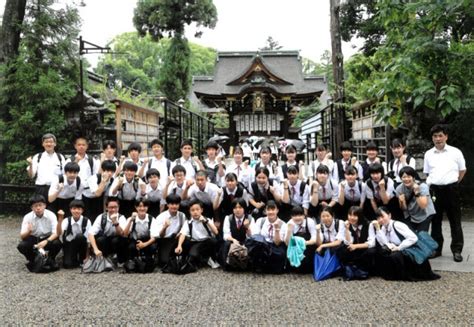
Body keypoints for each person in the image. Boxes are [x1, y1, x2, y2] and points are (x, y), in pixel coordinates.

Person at [424, 124, 466, 262]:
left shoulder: (456, 152)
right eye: (435, 136)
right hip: (435, 190)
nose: (438, 139)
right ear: (432, 138)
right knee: (435, 221)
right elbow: (427, 173)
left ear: (446, 136)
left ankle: (457, 250)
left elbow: (462, 170)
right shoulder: (428, 154)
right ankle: (437, 249)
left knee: (455, 221)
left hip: (451, 189)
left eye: (440, 135)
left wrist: (454, 183)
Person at [368, 207, 440, 281]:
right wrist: (378, 229)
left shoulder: (397, 225)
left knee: (395, 255)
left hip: (410, 248)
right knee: (381, 252)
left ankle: (404, 275)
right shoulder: (384, 227)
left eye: (382, 216)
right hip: (399, 248)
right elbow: (384, 243)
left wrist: (399, 247)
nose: (380, 220)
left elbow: (413, 238)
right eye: (378, 218)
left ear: (389, 215)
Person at [17, 195, 62, 272]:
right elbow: (22, 236)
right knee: (22, 245)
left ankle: (50, 258)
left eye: (40, 205)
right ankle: (34, 259)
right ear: (31, 208)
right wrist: (29, 231)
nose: (38, 208)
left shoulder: (51, 215)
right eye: (35, 206)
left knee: (57, 243)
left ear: (45, 205)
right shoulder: (27, 217)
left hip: (47, 237)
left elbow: (57, 233)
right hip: (34, 238)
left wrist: (47, 241)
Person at [174, 200, 219, 272]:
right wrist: (179, 245)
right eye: (192, 210)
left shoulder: (207, 219)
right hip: (196, 242)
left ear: (201, 210)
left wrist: (206, 221)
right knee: (193, 255)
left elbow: (216, 232)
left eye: (197, 209)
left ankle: (211, 258)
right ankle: (204, 259)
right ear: (189, 211)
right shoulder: (188, 222)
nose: (195, 212)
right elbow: (183, 234)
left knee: (213, 241)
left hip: (207, 241)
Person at [26, 133, 66, 205]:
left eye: (51, 142)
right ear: (43, 144)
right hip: (41, 189)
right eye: (46, 142)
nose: (49, 144)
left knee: (55, 211)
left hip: (56, 188)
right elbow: (31, 175)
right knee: (41, 211)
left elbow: (65, 174)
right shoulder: (38, 157)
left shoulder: (60, 157)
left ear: (55, 144)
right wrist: (30, 164)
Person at [249, 201, 287, 273]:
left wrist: (277, 229)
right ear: (265, 211)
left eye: (273, 209)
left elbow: (277, 243)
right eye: (268, 210)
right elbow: (255, 236)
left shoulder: (283, 224)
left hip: (275, 246)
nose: (271, 212)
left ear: (277, 210)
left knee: (280, 253)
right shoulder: (260, 221)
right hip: (263, 245)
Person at [88, 197, 128, 265]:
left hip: (117, 241)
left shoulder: (121, 217)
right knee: (100, 240)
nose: (113, 209)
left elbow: (123, 234)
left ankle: (120, 260)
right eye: (111, 207)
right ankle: (105, 259)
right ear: (106, 208)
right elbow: (90, 234)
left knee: (119, 240)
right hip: (106, 241)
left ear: (118, 207)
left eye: (115, 207)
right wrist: (95, 249)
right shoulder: (101, 217)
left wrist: (115, 223)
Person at [396, 166, 435, 232]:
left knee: (422, 236)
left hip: (425, 214)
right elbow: (404, 209)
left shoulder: (423, 186)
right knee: (411, 235)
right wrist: (402, 202)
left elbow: (423, 206)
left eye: (409, 176)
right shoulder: (399, 189)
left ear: (413, 177)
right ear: (401, 178)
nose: (406, 179)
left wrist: (417, 193)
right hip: (411, 215)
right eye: (404, 177)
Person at [219, 198, 254, 270]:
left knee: (251, 244)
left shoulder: (250, 219)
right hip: (233, 241)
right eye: (235, 208)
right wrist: (233, 240)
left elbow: (252, 236)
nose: (237, 210)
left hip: (245, 241)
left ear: (244, 208)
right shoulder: (228, 218)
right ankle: (226, 265)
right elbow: (225, 235)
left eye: (240, 207)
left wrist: (247, 228)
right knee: (226, 244)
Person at [152, 194, 187, 267]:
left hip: (177, 239)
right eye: (172, 204)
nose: (174, 206)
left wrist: (180, 234)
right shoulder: (161, 217)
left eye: (176, 204)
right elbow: (160, 236)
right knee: (164, 262)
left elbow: (185, 230)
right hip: (165, 240)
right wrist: (164, 227)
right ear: (167, 205)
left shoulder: (182, 215)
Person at [122, 199, 157, 272]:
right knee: (130, 246)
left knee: (153, 247)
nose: (142, 208)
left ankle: (149, 262)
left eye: (144, 206)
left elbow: (154, 237)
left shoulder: (151, 219)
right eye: (140, 206)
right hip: (135, 240)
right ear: (136, 207)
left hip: (147, 241)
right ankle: (131, 262)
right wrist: (131, 220)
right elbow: (125, 234)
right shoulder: (131, 219)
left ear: (148, 207)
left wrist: (144, 244)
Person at [56, 200, 91, 268]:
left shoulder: (87, 221)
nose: (76, 211)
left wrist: (87, 257)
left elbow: (88, 241)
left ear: (82, 210)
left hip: (82, 245)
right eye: (74, 208)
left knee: (80, 236)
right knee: (68, 265)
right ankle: (70, 258)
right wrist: (60, 220)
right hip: (69, 244)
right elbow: (59, 233)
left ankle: (82, 259)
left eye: (79, 209)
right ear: (70, 210)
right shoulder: (66, 220)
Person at [336, 206, 371, 271]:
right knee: (341, 249)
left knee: (371, 251)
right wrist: (346, 229)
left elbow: (371, 243)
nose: (351, 218)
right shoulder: (346, 225)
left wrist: (356, 246)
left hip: (365, 249)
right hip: (353, 249)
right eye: (350, 215)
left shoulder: (368, 225)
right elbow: (349, 242)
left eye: (355, 216)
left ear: (360, 216)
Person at [284, 206, 317, 273]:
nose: (297, 218)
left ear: (304, 215)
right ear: (291, 216)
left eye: (300, 215)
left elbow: (314, 238)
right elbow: (287, 243)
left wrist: (303, 243)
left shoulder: (310, 222)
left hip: (307, 246)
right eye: (295, 215)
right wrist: (289, 231)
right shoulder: (289, 223)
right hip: (295, 248)